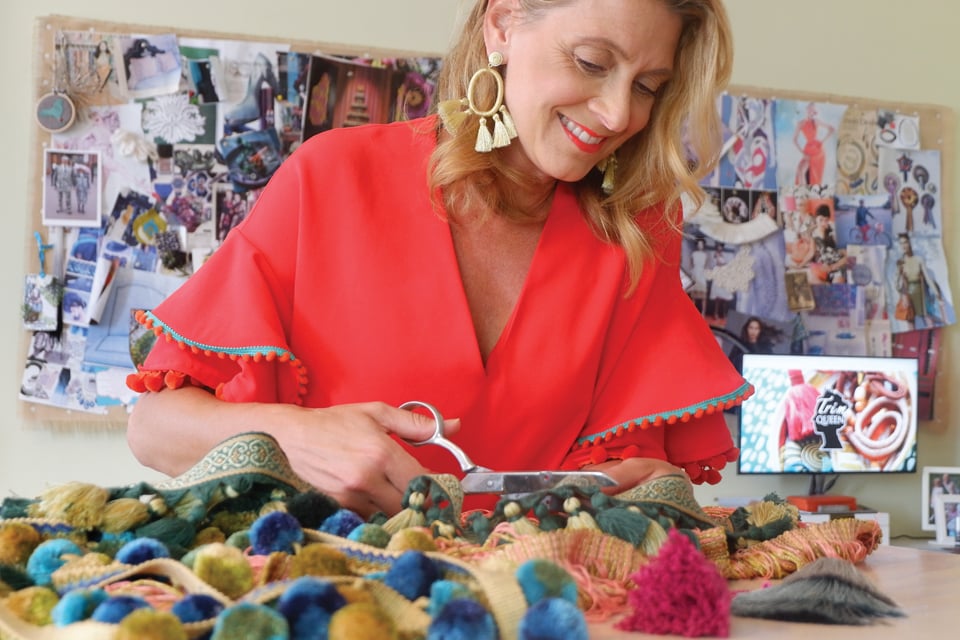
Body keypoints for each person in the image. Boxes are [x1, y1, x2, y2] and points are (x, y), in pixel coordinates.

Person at [126, 0, 748, 517]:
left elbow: (639, 472)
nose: (619, 113)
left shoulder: (639, 234)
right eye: (591, 62)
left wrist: (641, 492)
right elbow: (153, 429)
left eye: (647, 87)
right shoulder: (332, 177)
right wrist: (292, 437)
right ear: (502, 24)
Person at [896, 233, 942, 329]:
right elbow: (897, 284)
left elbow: (928, 278)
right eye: (901, 243)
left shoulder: (918, 259)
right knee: (910, 323)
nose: (903, 246)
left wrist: (937, 293)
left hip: (920, 294)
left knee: (928, 320)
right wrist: (903, 296)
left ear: (909, 243)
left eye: (905, 242)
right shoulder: (901, 262)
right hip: (908, 294)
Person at [793, 101, 835, 186]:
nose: (811, 111)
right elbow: (794, 140)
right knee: (800, 170)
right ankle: (803, 193)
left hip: (817, 151)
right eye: (810, 109)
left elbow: (832, 129)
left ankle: (805, 193)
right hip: (808, 149)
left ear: (814, 112)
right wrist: (803, 153)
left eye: (813, 110)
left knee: (804, 172)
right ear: (806, 109)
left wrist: (822, 142)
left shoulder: (816, 121)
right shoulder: (800, 123)